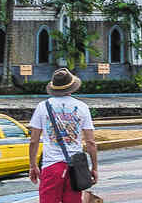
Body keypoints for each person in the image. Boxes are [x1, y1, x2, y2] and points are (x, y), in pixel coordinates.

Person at [28, 68, 98, 203]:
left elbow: (34, 141)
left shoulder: (43, 106)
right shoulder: (82, 107)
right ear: (72, 87)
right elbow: (90, 143)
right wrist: (94, 168)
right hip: (75, 168)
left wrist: (33, 165)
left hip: (51, 166)